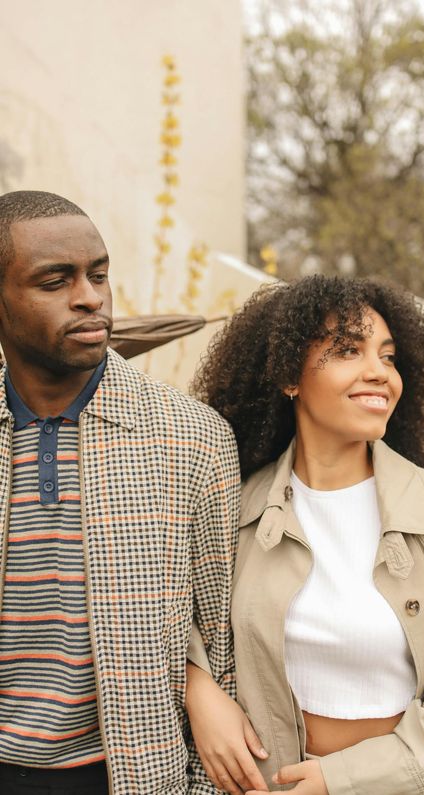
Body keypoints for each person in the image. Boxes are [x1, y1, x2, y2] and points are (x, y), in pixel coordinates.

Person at [186, 275, 424, 795]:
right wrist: (197, 689)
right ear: (289, 375)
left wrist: (341, 779)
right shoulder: (233, 511)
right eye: (348, 350)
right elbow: (168, 620)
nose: (379, 373)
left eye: (388, 357)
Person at [0, 190, 239, 795]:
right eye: (55, 281)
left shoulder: (193, 438)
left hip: (130, 777)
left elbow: (225, 647)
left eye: (99, 275)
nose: (90, 297)